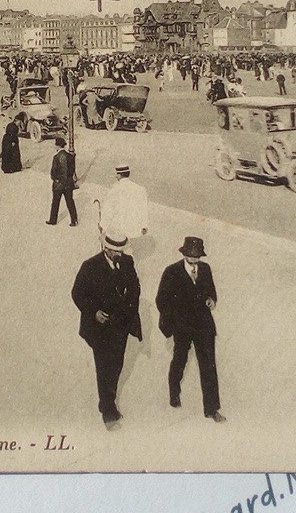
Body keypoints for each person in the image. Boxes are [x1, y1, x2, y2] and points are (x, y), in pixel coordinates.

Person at [70, 230, 142, 429]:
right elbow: (77, 293)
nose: (119, 254)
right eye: (115, 251)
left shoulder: (127, 262)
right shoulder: (90, 266)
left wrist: (128, 307)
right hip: (99, 328)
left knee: (117, 365)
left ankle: (109, 400)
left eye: (121, 250)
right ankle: (108, 411)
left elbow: (135, 288)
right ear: (106, 248)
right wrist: (94, 312)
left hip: (120, 325)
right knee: (104, 368)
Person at [156, 236, 225, 422]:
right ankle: (174, 393)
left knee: (208, 365)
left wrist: (212, 299)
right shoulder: (171, 272)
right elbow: (161, 300)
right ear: (184, 254)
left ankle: (212, 409)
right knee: (180, 360)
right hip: (182, 327)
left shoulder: (206, 269)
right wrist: (174, 322)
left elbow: (211, 290)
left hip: (204, 326)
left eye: (198, 256)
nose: (195, 260)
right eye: (191, 256)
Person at [99, 164, 148, 238]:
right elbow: (144, 208)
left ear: (120, 175)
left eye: (117, 174)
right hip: (134, 228)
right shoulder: (140, 189)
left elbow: (109, 209)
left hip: (119, 228)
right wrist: (144, 225)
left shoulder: (115, 189)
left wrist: (102, 224)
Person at [46, 136, 77, 227]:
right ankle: (74, 220)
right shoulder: (70, 157)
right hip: (68, 183)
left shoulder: (56, 157)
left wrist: (55, 179)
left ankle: (53, 220)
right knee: (70, 202)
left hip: (58, 184)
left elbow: (53, 172)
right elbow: (72, 170)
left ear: (58, 146)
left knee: (55, 202)